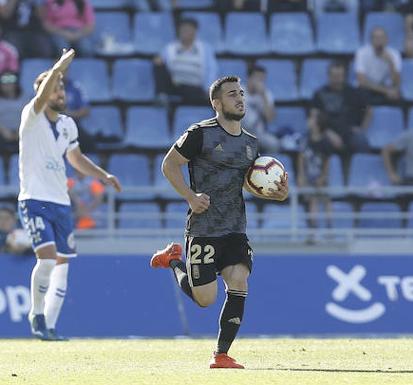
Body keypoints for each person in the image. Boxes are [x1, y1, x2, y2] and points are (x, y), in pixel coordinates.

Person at [149, 76, 289, 369]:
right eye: (231, 95)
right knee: (205, 299)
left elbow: (249, 182)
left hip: (235, 228)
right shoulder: (199, 134)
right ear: (216, 103)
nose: (240, 98)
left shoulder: (251, 143)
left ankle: (221, 354)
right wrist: (189, 196)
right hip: (204, 228)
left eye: (241, 93)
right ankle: (173, 261)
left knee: (239, 280)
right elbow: (169, 164)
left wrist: (272, 193)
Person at [17, 49, 122, 341]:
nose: (59, 92)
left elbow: (75, 158)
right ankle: (36, 314)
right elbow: (42, 95)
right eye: (54, 87)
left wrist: (103, 174)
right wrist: (59, 67)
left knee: (62, 265)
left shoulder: (67, 124)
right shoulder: (32, 116)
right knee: (47, 260)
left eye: (62, 87)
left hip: (61, 202)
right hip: (35, 199)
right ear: (43, 93)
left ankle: (49, 325)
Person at [309, 60, 371, 157]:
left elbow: (368, 111)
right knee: (318, 142)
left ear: (344, 76)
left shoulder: (354, 93)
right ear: (329, 76)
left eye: (340, 76)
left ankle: (359, 169)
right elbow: (314, 117)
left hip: (349, 133)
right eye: (334, 76)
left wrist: (362, 128)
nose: (337, 79)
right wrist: (327, 133)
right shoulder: (319, 94)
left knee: (361, 140)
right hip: (328, 133)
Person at [154, 17, 218, 105]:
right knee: (158, 63)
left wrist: (208, 88)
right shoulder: (169, 48)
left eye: (189, 29)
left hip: (195, 87)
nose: (185, 32)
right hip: (175, 85)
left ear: (195, 32)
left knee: (192, 93)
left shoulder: (205, 49)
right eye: (183, 29)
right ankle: (162, 96)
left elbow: (211, 70)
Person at [354, 27, 401, 104]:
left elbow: (396, 82)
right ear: (371, 40)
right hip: (368, 87)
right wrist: (385, 91)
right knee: (360, 95)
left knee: (397, 96)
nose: (379, 40)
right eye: (376, 37)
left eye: (382, 37)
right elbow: (362, 81)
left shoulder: (394, 54)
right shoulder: (361, 53)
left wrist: (391, 63)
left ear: (387, 40)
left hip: (384, 86)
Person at [242, 65, 279, 153]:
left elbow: (270, 118)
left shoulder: (266, 95)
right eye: (257, 79)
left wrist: (263, 96)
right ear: (249, 78)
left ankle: (267, 166)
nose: (260, 82)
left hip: (259, 134)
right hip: (241, 132)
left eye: (262, 80)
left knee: (274, 144)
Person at [0, 71, 23, 153]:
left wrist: (20, 131)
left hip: (22, 133)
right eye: (5, 81)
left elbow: (31, 116)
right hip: (2, 134)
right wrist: (3, 130)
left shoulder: (25, 97)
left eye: (11, 81)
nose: (8, 84)